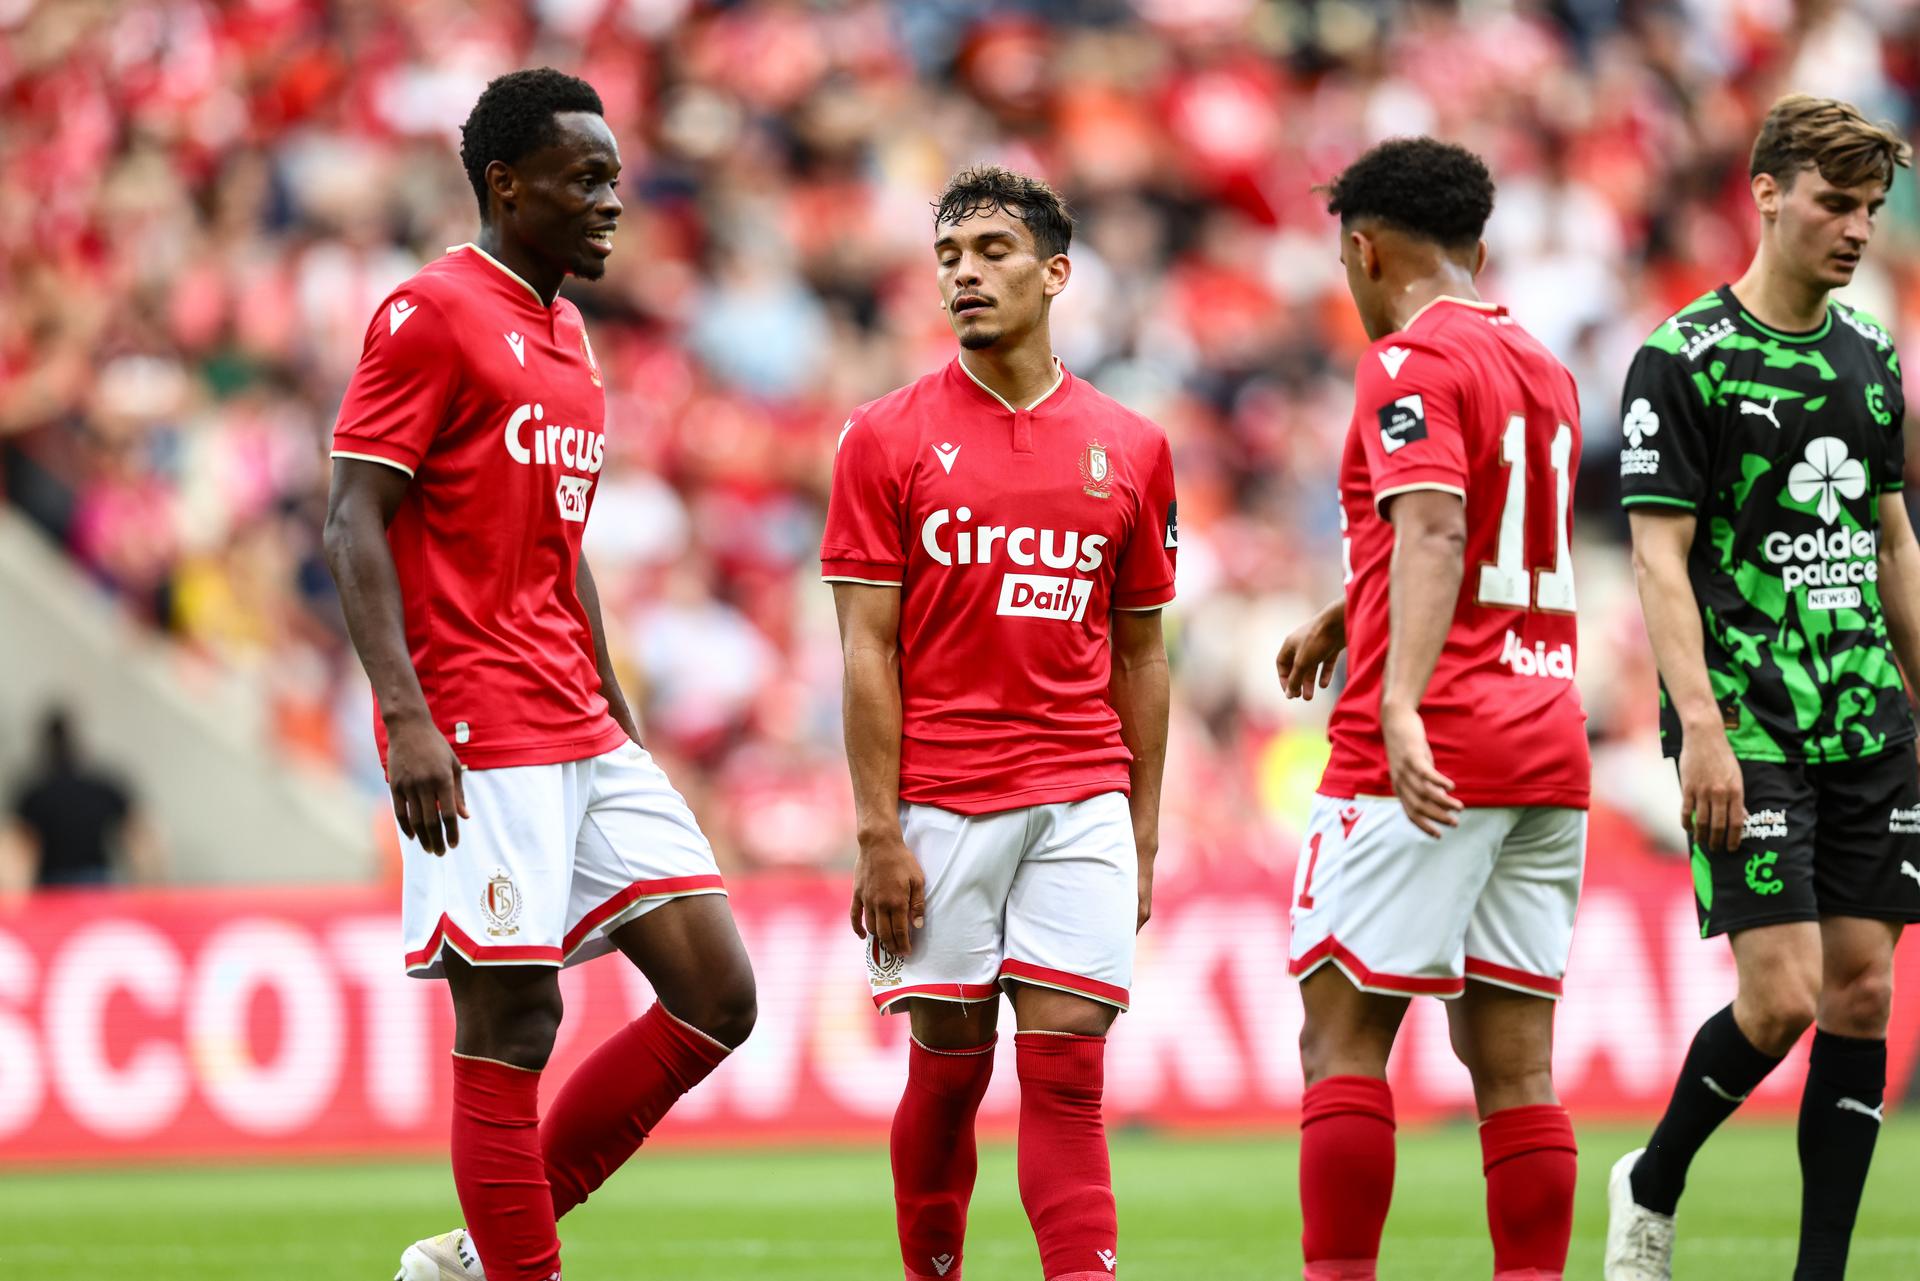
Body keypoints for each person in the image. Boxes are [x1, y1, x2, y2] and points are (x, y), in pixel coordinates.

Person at [322, 68, 756, 1281]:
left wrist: (617, 708)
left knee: (719, 994)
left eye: (616, 177)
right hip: (475, 722)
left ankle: (483, 1255)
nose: (613, 201)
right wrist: (406, 719)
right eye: (587, 178)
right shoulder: (431, 312)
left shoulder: (569, 335)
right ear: (507, 185)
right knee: (515, 1019)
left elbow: (562, 544)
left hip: (579, 722)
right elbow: (353, 518)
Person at [822, 165, 1175, 1281]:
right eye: (948, 256)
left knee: (1070, 1076)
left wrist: (1144, 830)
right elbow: (865, 651)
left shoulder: (1132, 445)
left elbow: (1142, 654)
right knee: (951, 1069)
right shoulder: (883, 437)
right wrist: (877, 829)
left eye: (991, 251)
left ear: (1055, 273)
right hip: (941, 800)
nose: (964, 275)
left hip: (1082, 794)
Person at [1604, 95, 1915, 1281]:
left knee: (1863, 993)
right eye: (1837, 204)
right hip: (1750, 724)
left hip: (1867, 719)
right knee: (1781, 998)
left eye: (1872, 208)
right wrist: (1700, 727)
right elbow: (1658, 559)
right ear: (1768, 192)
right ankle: (1654, 1177)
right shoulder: (1683, 360)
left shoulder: (1872, 352)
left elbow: (1892, 543)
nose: (1858, 230)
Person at [1274, 137, 1589, 1281]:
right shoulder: (1543, 366)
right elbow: (1487, 532)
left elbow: (1441, 527)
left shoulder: (1407, 361)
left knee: (1341, 1041)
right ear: (1478, 251)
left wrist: (1398, 700)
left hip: (1427, 746)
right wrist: (1346, 611)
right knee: (1516, 1067)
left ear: (1364, 252)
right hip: (1546, 741)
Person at [7, 705, 161, 888]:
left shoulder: (34, 793)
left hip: (55, 886)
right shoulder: (102, 785)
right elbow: (140, 833)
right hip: (94, 882)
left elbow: (20, 849)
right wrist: (148, 884)